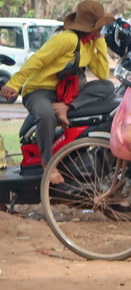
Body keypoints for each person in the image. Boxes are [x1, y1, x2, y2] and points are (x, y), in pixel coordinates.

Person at [0, 1, 115, 183]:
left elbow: (101, 73)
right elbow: (37, 60)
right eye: (98, 28)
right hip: (40, 91)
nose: (101, 30)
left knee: (107, 87)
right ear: (88, 27)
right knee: (46, 114)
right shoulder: (67, 39)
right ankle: (48, 163)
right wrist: (14, 84)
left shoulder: (88, 44)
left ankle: (65, 108)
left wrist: (99, 41)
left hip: (66, 94)